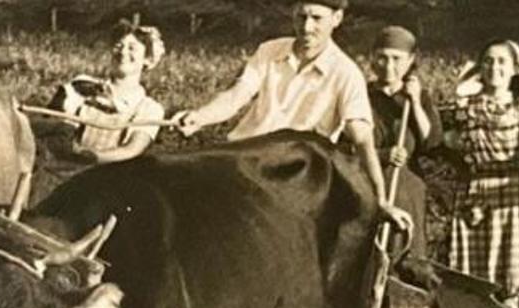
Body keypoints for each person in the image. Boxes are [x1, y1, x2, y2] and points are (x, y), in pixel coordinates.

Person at [172, 0, 412, 232]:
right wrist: (200, 117)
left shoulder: (346, 74)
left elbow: (362, 139)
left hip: (292, 176)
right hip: (243, 159)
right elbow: (236, 95)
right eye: (301, 16)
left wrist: (380, 200)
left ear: (336, 19)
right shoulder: (269, 51)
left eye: (317, 18)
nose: (307, 27)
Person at [439, 39, 519, 308]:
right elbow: (437, 142)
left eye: (502, 61)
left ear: (516, 68)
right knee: (472, 265)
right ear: (480, 67)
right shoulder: (462, 107)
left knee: (510, 265)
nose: (495, 67)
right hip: (473, 191)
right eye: (489, 61)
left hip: (511, 194)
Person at [367, 25, 440, 262]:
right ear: (372, 59)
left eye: (396, 59)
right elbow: (342, 148)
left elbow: (432, 143)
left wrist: (415, 102)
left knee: (404, 254)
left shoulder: (419, 98)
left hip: (406, 188)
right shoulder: (361, 96)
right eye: (382, 57)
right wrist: (382, 154)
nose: (388, 66)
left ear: (410, 61)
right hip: (368, 186)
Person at [51, 21, 166, 165]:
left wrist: (88, 156)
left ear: (148, 60)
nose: (123, 52)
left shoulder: (149, 108)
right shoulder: (82, 85)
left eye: (132, 48)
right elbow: (54, 125)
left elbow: (132, 150)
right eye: (119, 46)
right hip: (64, 168)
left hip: (111, 179)